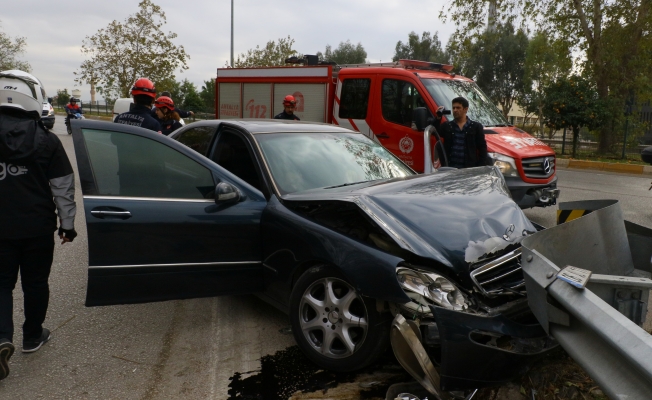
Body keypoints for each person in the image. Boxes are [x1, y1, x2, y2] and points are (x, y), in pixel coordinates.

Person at [0, 70, 77, 379]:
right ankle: (32, 336)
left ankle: (2, 337)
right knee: (35, 283)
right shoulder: (47, 139)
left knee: (1, 283)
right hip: (37, 227)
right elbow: (63, 186)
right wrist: (67, 225)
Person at [432, 96, 490, 168]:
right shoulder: (448, 126)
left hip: (468, 169)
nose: (455, 110)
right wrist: (438, 118)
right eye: (453, 108)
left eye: (458, 108)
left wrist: (480, 166)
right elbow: (434, 132)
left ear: (465, 109)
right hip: (450, 168)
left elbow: (482, 148)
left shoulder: (475, 127)